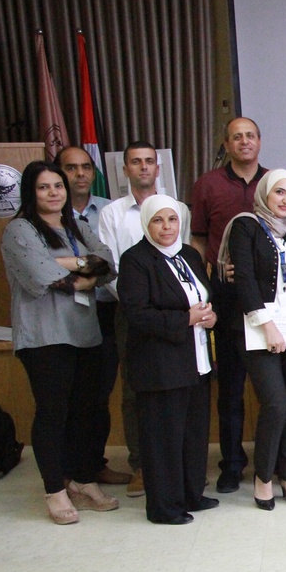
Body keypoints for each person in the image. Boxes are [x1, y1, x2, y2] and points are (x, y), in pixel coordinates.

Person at [1, 160, 118, 524]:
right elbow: (45, 275)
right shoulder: (20, 229)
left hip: (84, 332)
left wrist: (73, 264)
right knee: (53, 413)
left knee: (86, 411)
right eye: (43, 187)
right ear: (30, 193)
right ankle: (55, 490)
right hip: (44, 336)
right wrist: (84, 266)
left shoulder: (77, 226)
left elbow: (108, 263)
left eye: (57, 186)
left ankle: (83, 480)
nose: (53, 193)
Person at [220, 169, 286, 510]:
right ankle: (263, 478)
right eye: (279, 192)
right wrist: (268, 327)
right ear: (264, 193)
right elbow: (244, 279)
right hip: (259, 331)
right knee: (276, 405)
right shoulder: (245, 226)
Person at [117, 195, 219, 524]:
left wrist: (210, 316)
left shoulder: (189, 254)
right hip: (159, 366)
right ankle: (164, 507)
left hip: (195, 361)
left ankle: (191, 494)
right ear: (146, 224)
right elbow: (138, 314)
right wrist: (186, 319)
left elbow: (205, 297)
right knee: (163, 440)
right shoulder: (135, 260)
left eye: (172, 219)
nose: (166, 227)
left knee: (193, 434)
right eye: (158, 220)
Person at [99, 141, 191, 498]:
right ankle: (141, 466)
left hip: (180, 313)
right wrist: (139, 301)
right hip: (131, 313)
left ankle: (180, 466)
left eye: (149, 161)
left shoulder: (177, 208)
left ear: (158, 167)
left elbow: (182, 257)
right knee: (136, 389)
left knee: (179, 386)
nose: (143, 167)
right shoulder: (112, 213)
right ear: (125, 169)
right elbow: (109, 268)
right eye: (135, 162)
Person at [190, 117, 268, 494]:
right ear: (227, 143)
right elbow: (198, 239)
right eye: (237, 136)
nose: (244, 141)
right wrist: (205, 282)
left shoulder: (274, 181)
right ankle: (232, 463)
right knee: (231, 387)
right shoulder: (208, 184)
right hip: (226, 296)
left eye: (250, 135)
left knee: (272, 387)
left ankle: (273, 461)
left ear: (259, 141)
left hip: (270, 299)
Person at [56, 146, 130, 486]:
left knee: (99, 393)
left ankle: (94, 464)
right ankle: (65, 471)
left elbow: (110, 263)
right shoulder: (49, 214)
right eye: (71, 168)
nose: (80, 174)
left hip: (105, 308)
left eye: (86, 167)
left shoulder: (109, 210)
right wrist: (87, 269)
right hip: (62, 311)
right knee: (67, 395)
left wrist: (88, 273)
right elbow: (45, 267)